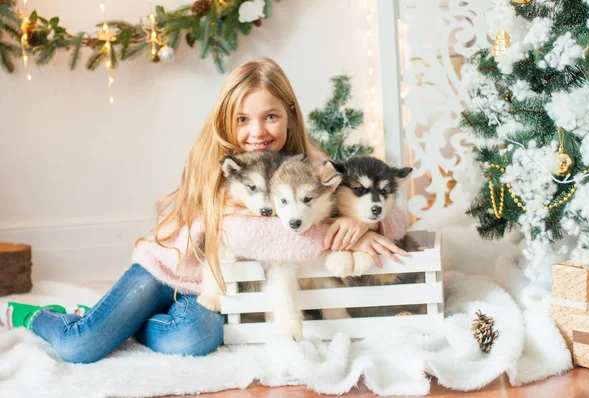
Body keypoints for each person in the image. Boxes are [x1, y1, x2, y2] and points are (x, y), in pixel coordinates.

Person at [0, 58, 408, 364]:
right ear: (227, 121)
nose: (257, 131)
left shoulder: (306, 165)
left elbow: (392, 210)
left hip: (207, 289)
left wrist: (362, 222)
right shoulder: (221, 167)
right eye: (243, 119)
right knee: (81, 345)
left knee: (196, 337)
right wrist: (331, 234)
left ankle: (124, 323)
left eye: (271, 116)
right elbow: (251, 237)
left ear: (291, 116)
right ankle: (39, 316)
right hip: (166, 270)